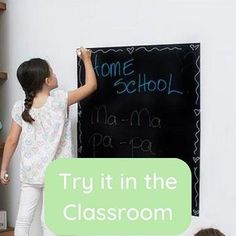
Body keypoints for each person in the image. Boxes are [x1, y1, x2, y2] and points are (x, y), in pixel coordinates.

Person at [0, 48, 97, 236]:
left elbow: (11, 140)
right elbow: (91, 86)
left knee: (23, 220)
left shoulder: (20, 107)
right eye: (52, 72)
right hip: (56, 174)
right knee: (50, 222)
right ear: (47, 81)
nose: (55, 74)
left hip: (30, 174)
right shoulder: (60, 100)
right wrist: (86, 59)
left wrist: (3, 169)